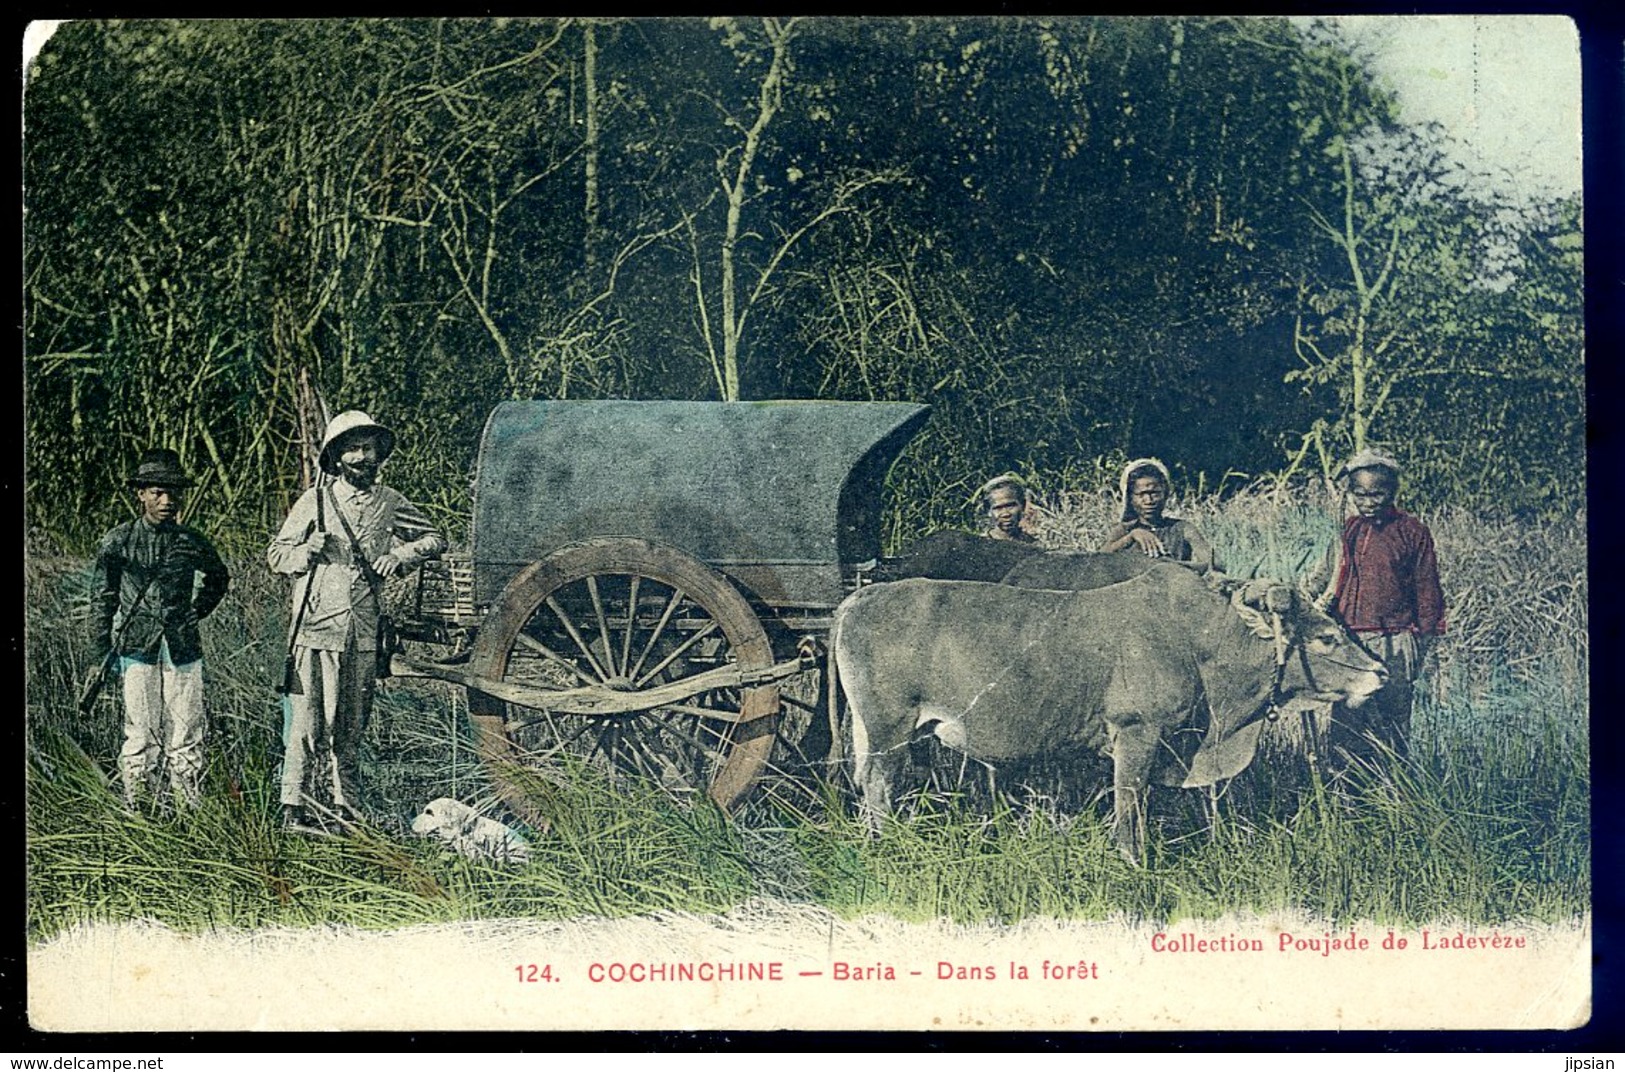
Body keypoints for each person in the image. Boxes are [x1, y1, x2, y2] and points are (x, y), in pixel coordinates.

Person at [269, 411, 446, 831]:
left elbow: (435, 537)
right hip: (315, 629)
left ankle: (344, 805)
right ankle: (292, 806)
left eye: (369, 448)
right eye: (353, 448)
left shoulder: (391, 502)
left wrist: (399, 557)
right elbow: (277, 555)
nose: (362, 457)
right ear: (336, 456)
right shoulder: (313, 501)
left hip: (363, 632)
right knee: (307, 722)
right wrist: (306, 550)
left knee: (351, 724)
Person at [91, 448, 231, 810]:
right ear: (140, 494)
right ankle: (140, 810)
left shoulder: (191, 541)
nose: (167, 501)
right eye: (157, 492)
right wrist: (98, 653)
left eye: (173, 493)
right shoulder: (118, 541)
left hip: (183, 647)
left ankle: (188, 810)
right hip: (137, 647)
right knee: (139, 732)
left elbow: (218, 577)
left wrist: (195, 612)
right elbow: (102, 600)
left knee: (186, 732)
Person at [1312, 450, 1445, 759]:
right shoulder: (1347, 531)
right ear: (1349, 493)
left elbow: (1428, 591)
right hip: (1351, 643)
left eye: (1377, 494)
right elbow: (1325, 575)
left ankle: (1395, 794)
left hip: (1396, 640)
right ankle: (1346, 794)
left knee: (1393, 724)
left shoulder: (1412, 532)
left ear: (1393, 492)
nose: (1369, 502)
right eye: (1360, 494)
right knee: (1346, 725)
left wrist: (1423, 643)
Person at [1098, 458, 1216, 573]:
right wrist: (1131, 537)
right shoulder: (1125, 530)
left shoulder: (1182, 528)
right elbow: (1099, 560)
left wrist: (1171, 566)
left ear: (1165, 494)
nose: (1149, 500)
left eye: (1155, 493)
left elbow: (1214, 564)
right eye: (1141, 494)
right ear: (1131, 499)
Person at [980, 473, 1037, 543]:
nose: (1005, 514)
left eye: (1010, 506)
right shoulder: (979, 545)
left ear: (1023, 505)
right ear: (988, 510)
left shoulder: (1034, 544)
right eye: (998, 508)